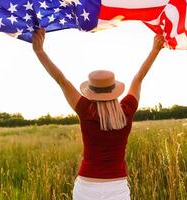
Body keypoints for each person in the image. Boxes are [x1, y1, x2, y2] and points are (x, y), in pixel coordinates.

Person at [32, 29, 164, 200]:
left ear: (91, 91)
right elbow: (139, 78)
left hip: (86, 186)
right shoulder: (126, 110)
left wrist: (40, 51)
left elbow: (61, 80)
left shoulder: (86, 109)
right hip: (117, 187)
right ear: (114, 90)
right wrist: (155, 50)